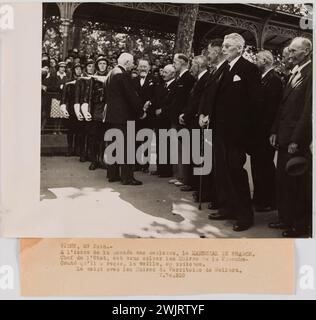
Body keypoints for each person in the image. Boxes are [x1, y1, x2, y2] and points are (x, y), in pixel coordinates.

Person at [208, 33, 261, 232]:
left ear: (240, 48)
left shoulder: (249, 69)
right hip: (220, 131)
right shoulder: (225, 68)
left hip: (236, 134)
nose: (223, 49)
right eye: (223, 45)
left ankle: (244, 215)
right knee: (223, 173)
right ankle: (228, 208)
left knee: (236, 173)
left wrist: (245, 133)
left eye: (228, 46)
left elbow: (254, 104)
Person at [269, 37, 312, 237]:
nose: (290, 54)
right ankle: (285, 219)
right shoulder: (294, 72)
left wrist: (296, 139)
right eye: (290, 50)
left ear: (306, 52)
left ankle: (300, 225)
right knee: (283, 181)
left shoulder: (310, 74)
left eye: (294, 51)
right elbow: (282, 107)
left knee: (297, 184)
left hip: (296, 141)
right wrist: (274, 131)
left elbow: (307, 112)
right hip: (283, 137)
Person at [249, 50, 283, 212]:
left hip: (264, 132)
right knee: (258, 166)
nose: (255, 62)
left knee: (265, 167)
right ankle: (260, 198)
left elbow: (272, 109)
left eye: (257, 59)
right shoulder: (262, 78)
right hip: (257, 132)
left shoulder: (274, 80)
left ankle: (268, 200)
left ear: (265, 61)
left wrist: (269, 131)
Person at [197, 38, 228, 209]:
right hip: (209, 122)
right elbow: (206, 96)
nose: (208, 55)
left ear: (217, 51)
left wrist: (208, 114)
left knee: (219, 166)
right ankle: (214, 196)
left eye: (210, 51)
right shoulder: (215, 70)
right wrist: (202, 113)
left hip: (219, 125)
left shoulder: (225, 69)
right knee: (211, 162)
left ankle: (219, 199)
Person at [104, 52, 144, 185]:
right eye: (132, 63)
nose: (133, 66)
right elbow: (131, 96)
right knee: (127, 147)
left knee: (113, 146)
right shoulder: (122, 75)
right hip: (124, 116)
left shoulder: (111, 73)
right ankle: (127, 177)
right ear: (126, 63)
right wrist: (140, 111)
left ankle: (112, 174)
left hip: (111, 116)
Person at [178, 55, 210, 192]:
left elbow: (197, 102)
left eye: (193, 65)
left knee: (197, 153)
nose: (191, 68)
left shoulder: (205, 78)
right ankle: (192, 182)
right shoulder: (199, 79)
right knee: (193, 152)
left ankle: (196, 184)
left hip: (197, 121)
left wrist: (186, 114)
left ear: (199, 65)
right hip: (191, 119)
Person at [168, 53, 195, 187]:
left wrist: (184, 114)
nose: (174, 64)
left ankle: (184, 177)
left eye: (176, 62)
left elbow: (188, 100)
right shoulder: (180, 78)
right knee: (176, 148)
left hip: (181, 120)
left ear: (183, 62)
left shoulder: (189, 78)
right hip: (175, 118)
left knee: (182, 150)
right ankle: (178, 174)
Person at [82, 56, 108, 170]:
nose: (102, 65)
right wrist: (87, 110)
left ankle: (101, 159)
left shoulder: (110, 77)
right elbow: (88, 95)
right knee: (93, 136)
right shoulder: (92, 78)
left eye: (104, 63)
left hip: (106, 110)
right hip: (95, 109)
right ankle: (94, 160)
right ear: (97, 65)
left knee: (103, 137)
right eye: (100, 63)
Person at [151, 64, 177, 177]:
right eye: (163, 72)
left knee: (166, 145)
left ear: (172, 74)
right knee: (160, 144)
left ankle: (166, 170)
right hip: (159, 120)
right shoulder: (162, 85)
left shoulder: (175, 86)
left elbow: (174, 103)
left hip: (167, 119)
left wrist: (162, 110)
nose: (163, 74)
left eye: (166, 72)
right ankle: (160, 168)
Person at [132, 59, 157, 173]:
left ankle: (145, 164)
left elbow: (157, 95)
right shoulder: (133, 80)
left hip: (149, 114)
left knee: (147, 139)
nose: (142, 68)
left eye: (145, 66)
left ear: (149, 68)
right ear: (137, 68)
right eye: (141, 66)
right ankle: (136, 163)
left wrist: (150, 102)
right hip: (136, 114)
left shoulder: (155, 80)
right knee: (136, 139)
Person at [60, 63, 83, 157]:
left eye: (80, 69)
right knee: (70, 130)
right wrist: (64, 106)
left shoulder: (83, 81)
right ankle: (70, 148)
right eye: (77, 69)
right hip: (70, 108)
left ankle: (77, 149)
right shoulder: (69, 82)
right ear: (74, 70)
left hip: (80, 109)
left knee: (79, 130)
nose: (78, 70)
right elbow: (64, 95)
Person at [47, 61, 70, 135]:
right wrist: (59, 87)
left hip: (63, 98)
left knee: (61, 115)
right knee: (55, 115)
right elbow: (49, 87)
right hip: (56, 97)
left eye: (64, 67)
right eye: (61, 67)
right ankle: (54, 129)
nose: (63, 69)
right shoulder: (54, 75)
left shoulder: (67, 77)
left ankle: (59, 129)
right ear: (58, 68)